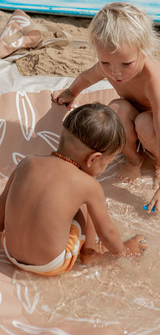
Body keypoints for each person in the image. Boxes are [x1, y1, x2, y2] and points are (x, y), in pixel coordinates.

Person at [52, 2, 160, 213]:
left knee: (146, 122)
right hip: (137, 118)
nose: (115, 72)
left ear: (144, 51)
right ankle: (133, 159)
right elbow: (86, 77)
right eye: (105, 63)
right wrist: (70, 93)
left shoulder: (154, 78)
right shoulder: (110, 65)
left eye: (126, 64)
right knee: (115, 110)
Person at [0, 102, 147, 276]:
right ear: (94, 158)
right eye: (107, 163)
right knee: (85, 203)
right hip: (49, 264)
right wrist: (122, 251)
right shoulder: (87, 184)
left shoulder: (27, 162)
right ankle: (89, 254)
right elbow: (107, 232)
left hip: (9, 250)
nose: (105, 168)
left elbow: (2, 209)